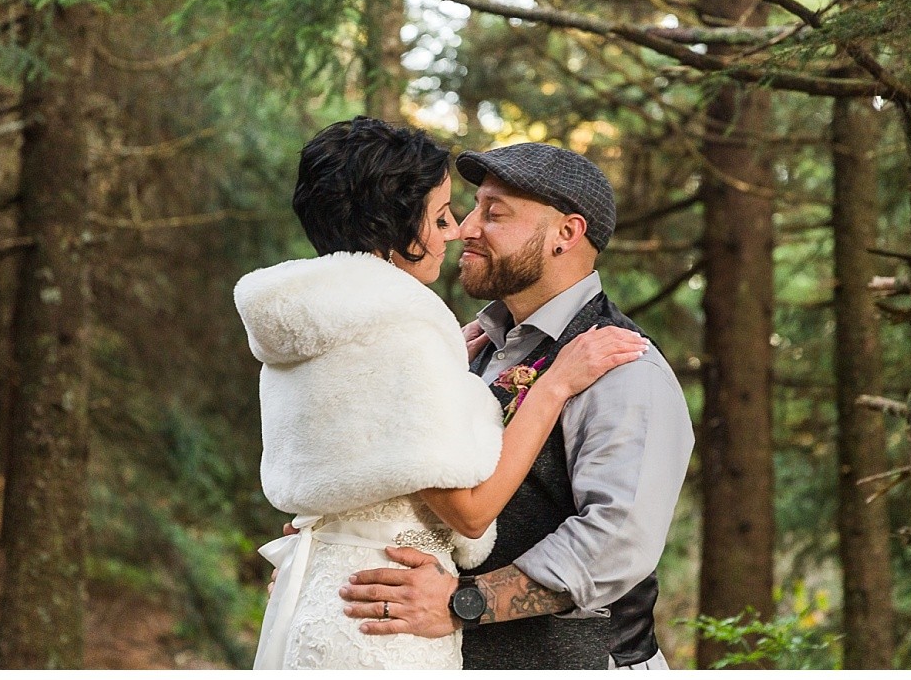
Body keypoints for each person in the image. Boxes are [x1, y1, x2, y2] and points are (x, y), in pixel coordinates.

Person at [235, 117, 648, 669]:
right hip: (382, 619)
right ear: (398, 226)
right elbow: (470, 515)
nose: (457, 231)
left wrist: (443, 365)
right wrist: (553, 386)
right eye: (442, 216)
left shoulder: (313, 321)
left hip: (327, 596)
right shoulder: (402, 328)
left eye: (485, 213)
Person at [337, 143, 696, 670]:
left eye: (494, 213)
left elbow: (616, 542)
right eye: (472, 207)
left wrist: (465, 603)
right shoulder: (474, 348)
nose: (464, 228)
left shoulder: (623, 366)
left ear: (566, 235)